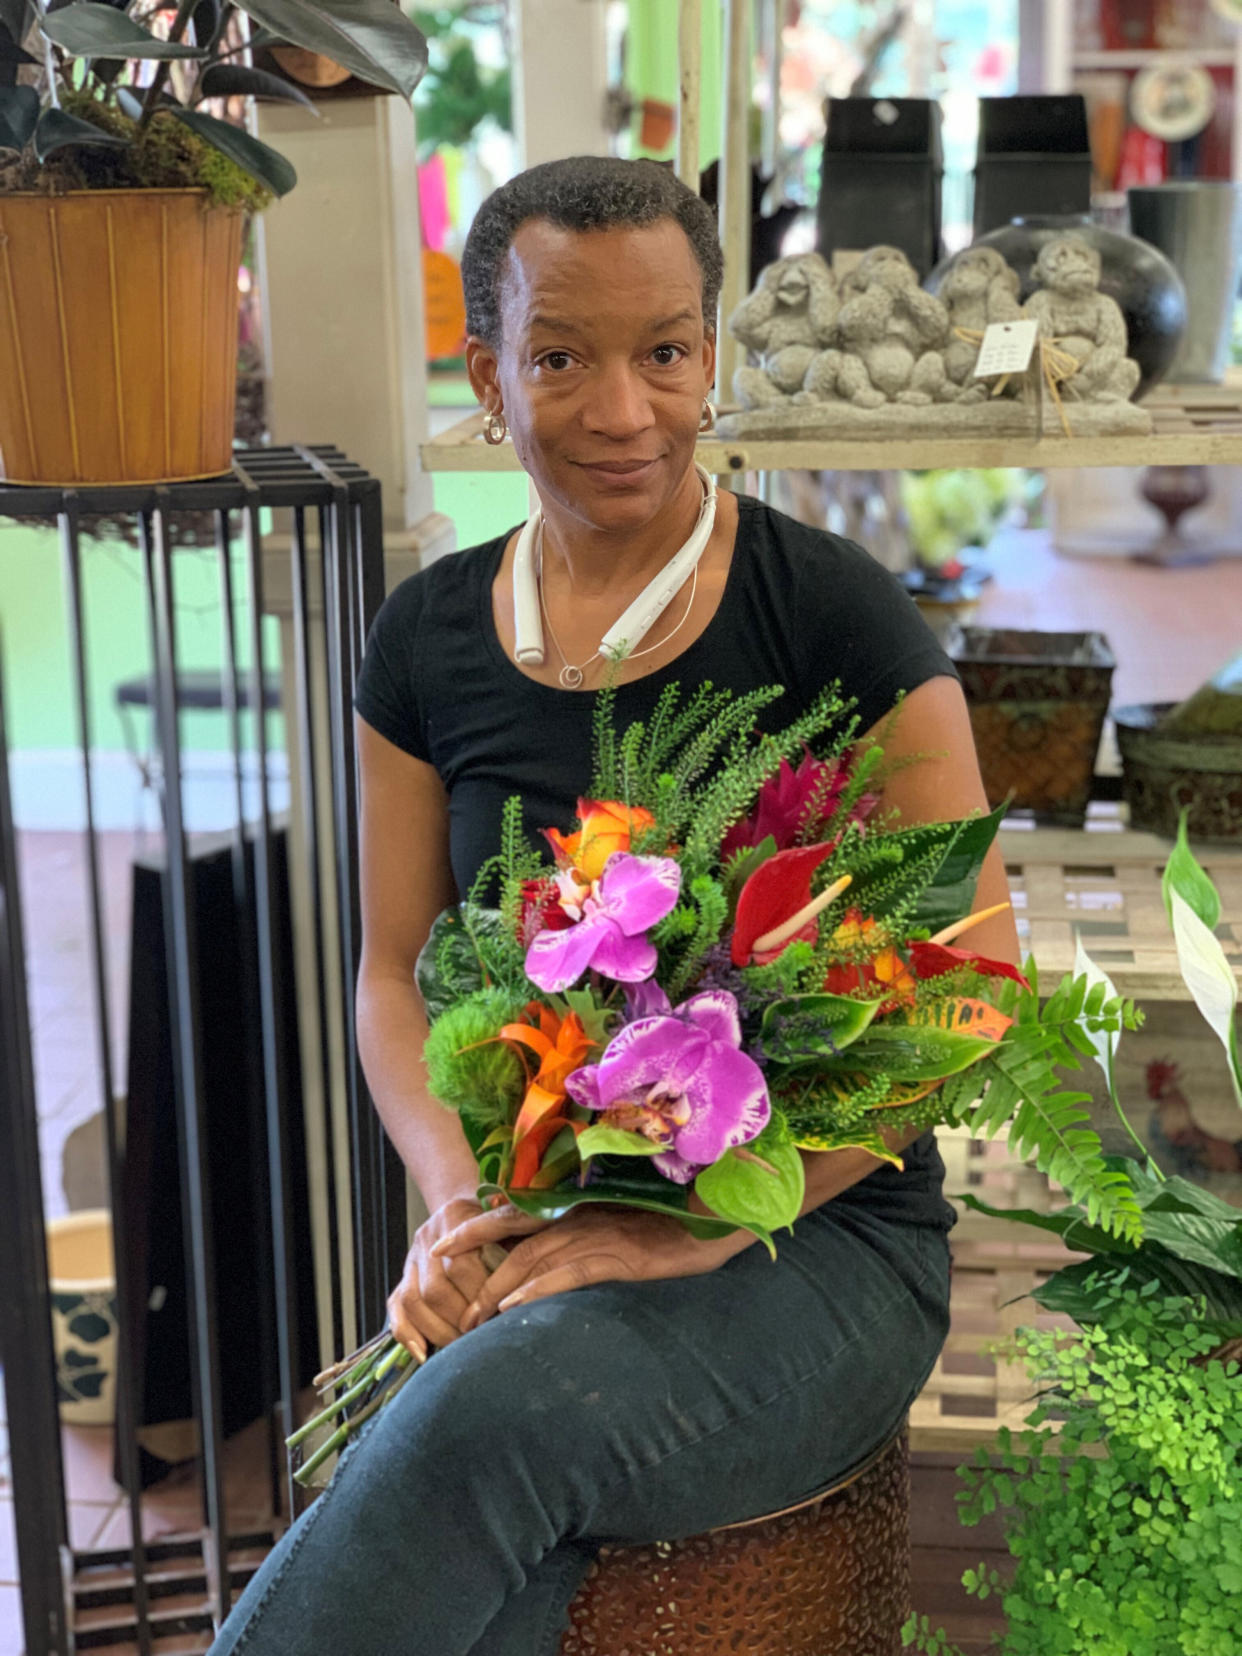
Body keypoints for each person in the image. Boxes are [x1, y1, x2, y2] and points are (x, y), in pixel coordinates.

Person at [209, 155, 1019, 1656]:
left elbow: (974, 995)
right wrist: (453, 1203)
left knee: (493, 1413)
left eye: (661, 352)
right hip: (541, 1217)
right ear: (491, 371)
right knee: (490, 1503)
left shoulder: (829, 611)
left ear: (709, 357)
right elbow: (391, 971)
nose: (619, 410)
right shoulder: (428, 637)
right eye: (561, 356)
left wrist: (700, 1226)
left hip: (817, 1246)